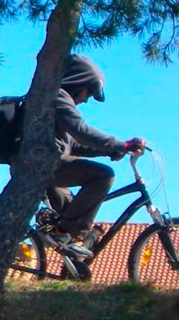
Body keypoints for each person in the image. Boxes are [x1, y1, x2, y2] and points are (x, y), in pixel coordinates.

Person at [34, 55, 146, 267]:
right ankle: (61, 233)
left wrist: (108, 151)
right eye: (89, 93)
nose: (86, 99)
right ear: (79, 83)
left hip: (49, 165)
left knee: (72, 215)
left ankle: (71, 266)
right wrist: (121, 145)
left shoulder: (56, 102)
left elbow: (75, 145)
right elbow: (81, 131)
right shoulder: (57, 97)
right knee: (104, 176)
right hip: (44, 165)